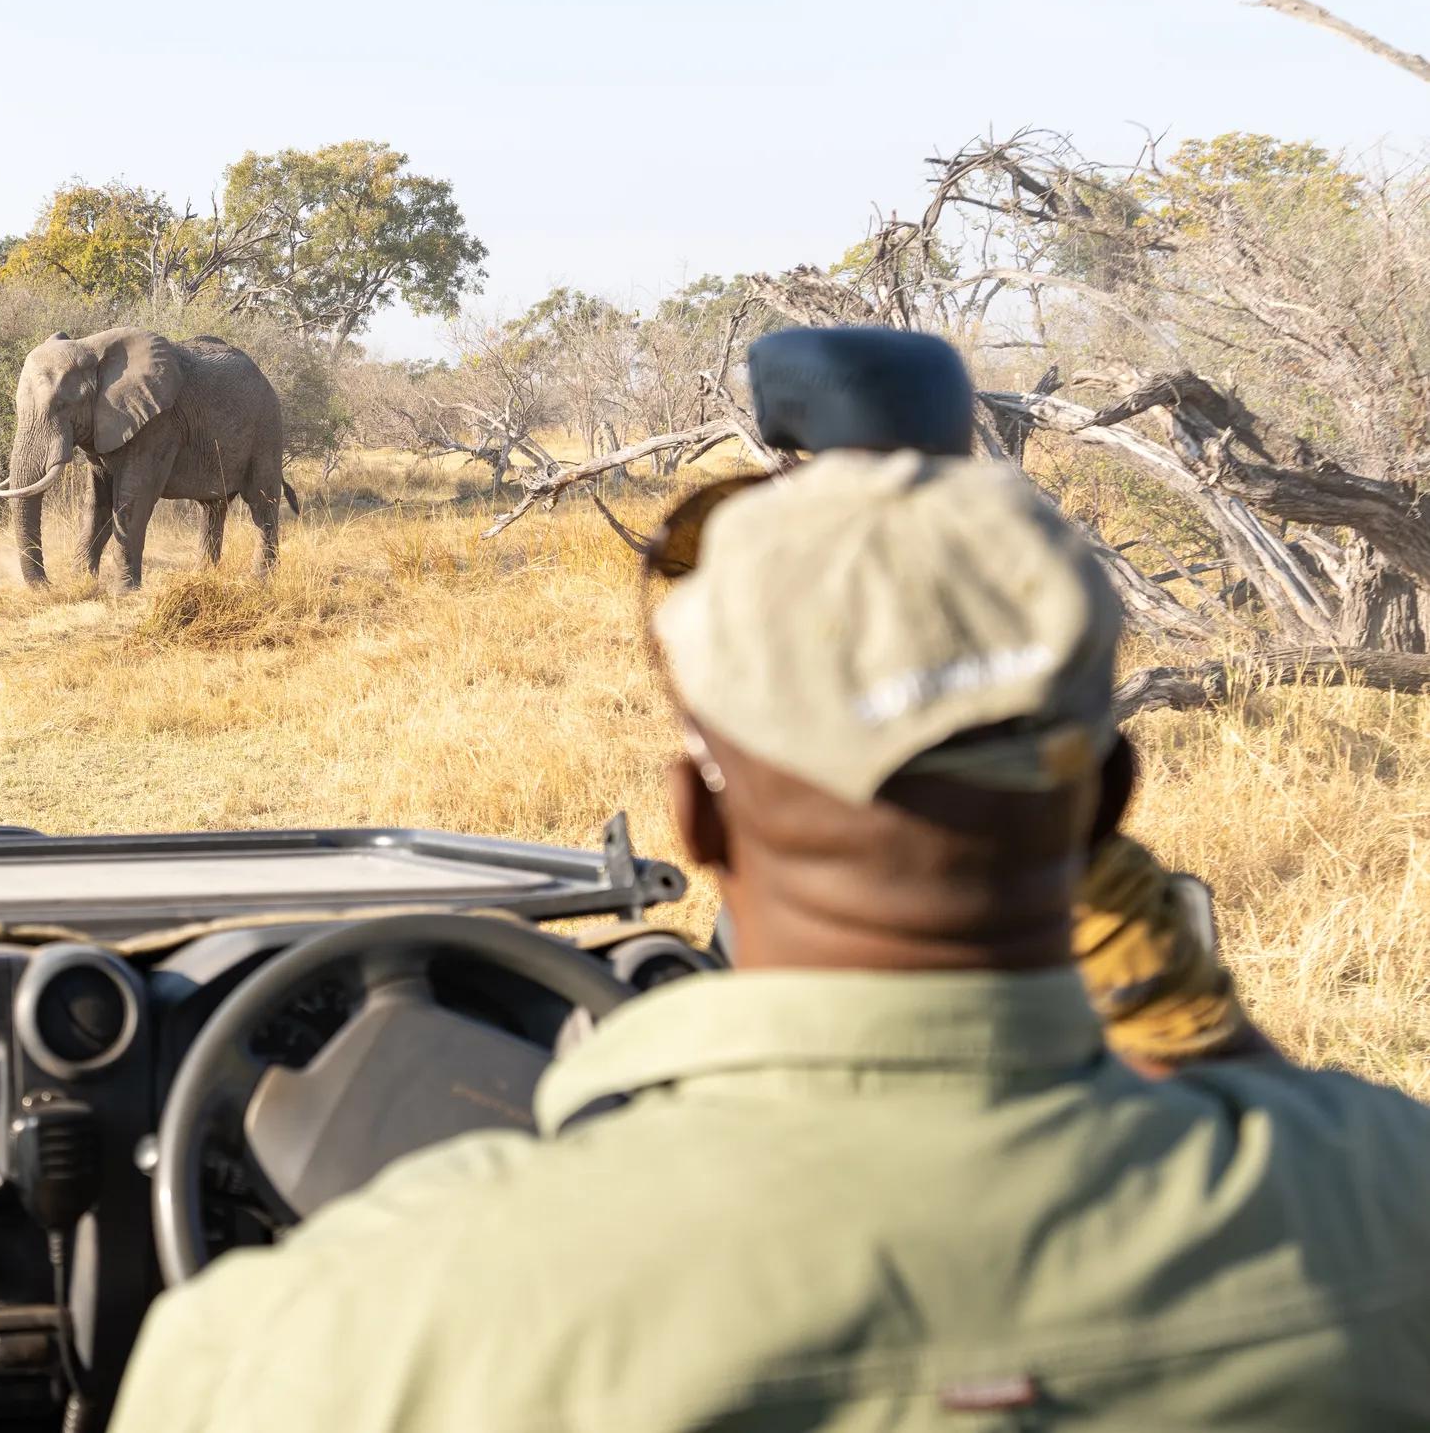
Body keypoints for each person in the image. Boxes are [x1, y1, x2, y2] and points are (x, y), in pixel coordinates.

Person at [107, 450, 1430, 1432]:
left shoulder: (317, 1342)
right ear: (1109, 808)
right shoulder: (1385, 1202)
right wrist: (1183, 1006)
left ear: (692, 814)